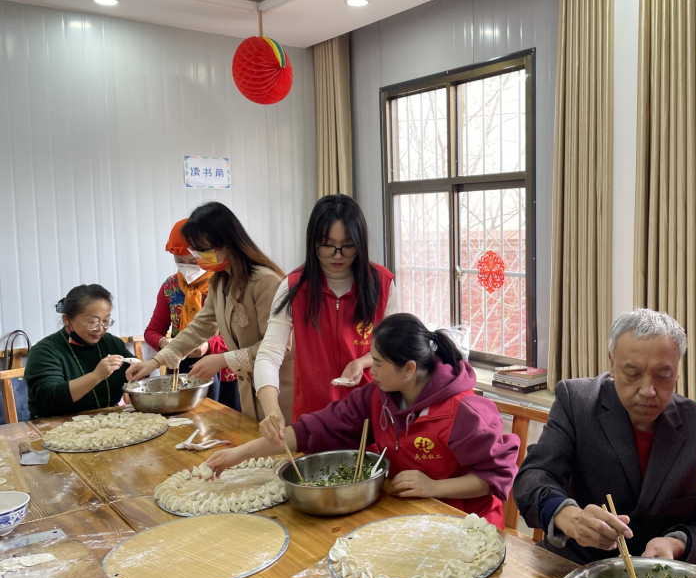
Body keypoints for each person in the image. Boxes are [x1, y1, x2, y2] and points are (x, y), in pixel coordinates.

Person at [207, 313, 519, 529]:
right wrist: (240, 453)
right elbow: (314, 430)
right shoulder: (377, 397)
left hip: (465, 526)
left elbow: (496, 478)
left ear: (409, 369)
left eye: (378, 364)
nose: (372, 371)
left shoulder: (465, 412)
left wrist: (434, 486)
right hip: (408, 516)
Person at [514, 309, 696, 570]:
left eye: (663, 375)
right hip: (575, 565)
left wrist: (676, 544)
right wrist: (569, 517)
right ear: (612, 363)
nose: (648, 390)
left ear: (677, 371)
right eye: (632, 373)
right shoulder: (577, 402)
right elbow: (534, 476)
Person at [127, 202, 294, 421]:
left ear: (227, 243)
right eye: (195, 252)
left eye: (202, 251)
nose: (198, 259)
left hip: (279, 388)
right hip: (249, 389)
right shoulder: (220, 281)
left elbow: (281, 347)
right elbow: (199, 327)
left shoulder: (266, 281)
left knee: (281, 438)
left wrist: (224, 359)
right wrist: (155, 362)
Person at [255, 194, 395, 429]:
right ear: (313, 243)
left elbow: (394, 349)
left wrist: (362, 361)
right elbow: (269, 354)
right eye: (328, 245)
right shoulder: (294, 286)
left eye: (347, 245)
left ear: (360, 243)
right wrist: (271, 409)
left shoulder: (382, 283)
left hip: (370, 415)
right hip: (313, 418)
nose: (337, 255)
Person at [143, 219, 241, 411]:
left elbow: (240, 336)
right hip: (179, 368)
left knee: (225, 421)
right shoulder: (170, 287)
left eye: (193, 262)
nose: (187, 268)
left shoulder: (225, 284)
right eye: (180, 262)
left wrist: (209, 346)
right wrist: (163, 343)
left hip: (223, 369)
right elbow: (152, 331)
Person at [25, 284, 131, 418]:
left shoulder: (111, 343)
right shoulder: (44, 351)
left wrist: (140, 370)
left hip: (107, 420)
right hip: (55, 424)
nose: (100, 329)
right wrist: (96, 376)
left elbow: (132, 371)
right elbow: (49, 396)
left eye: (105, 321)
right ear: (67, 319)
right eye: (92, 322)